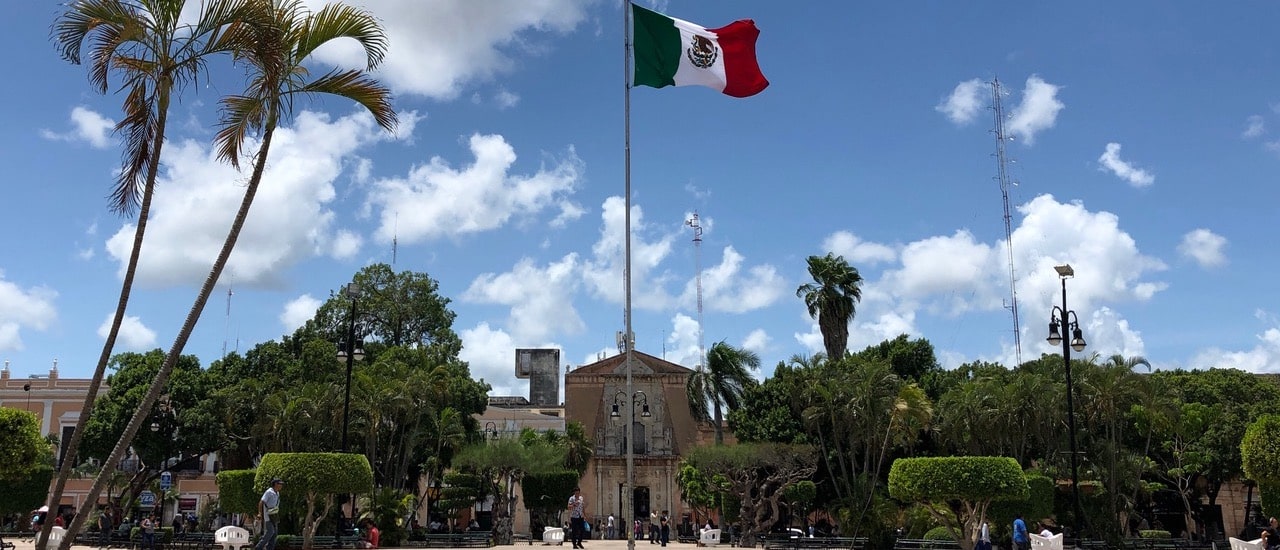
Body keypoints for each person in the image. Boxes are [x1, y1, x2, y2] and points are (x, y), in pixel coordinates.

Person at [254, 478, 284, 550]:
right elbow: (261, 502)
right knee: (270, 532)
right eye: (280, 484)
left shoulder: (277, 493)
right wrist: (260, 513)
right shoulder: (269, 492)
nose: (281, 486)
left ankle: (270, 548)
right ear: (275, 484)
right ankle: (258, 547)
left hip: (274, 515)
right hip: (268, 516)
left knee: (274, 534)